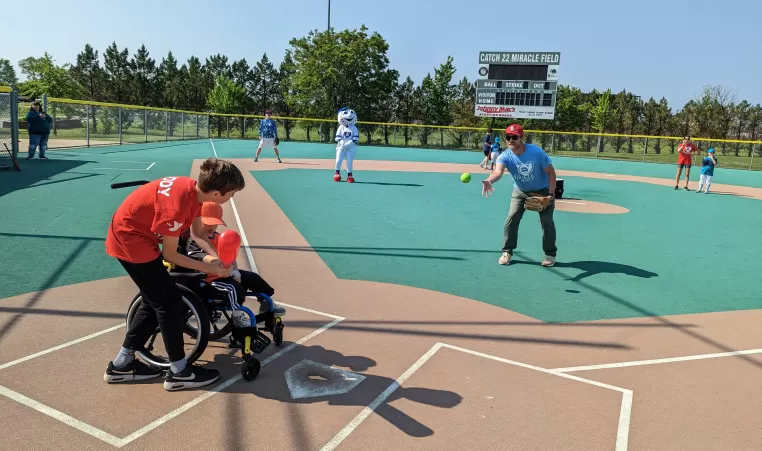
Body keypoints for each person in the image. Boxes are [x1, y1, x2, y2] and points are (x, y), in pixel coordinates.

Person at [103, 158, 246, 392]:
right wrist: (209, 269)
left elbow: (198, 233)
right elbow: (170, 255)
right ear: (219, 193)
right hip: (130, 239)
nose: (232, 197)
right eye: (232, 194)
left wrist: (217, 258)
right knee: (170, 303)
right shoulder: (177, 206)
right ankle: (180, 372)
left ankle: (122, 363)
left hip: (138, 235)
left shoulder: (194, 191)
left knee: (155, 299)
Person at [185, 201, 287, 320]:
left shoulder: (219, 237)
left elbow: (230, 256)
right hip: (209, 279)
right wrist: (217, 261)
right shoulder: (193, 240)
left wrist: (235, 270)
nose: (212, 227)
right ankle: (237, 316)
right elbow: (199, 256)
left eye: (215, 223)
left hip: (227, 273)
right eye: (208, 223)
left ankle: (266, 302)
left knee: (253, 278)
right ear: (198, 221)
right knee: (235, 289)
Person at [481, 124, 558, 267]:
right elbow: (497, 172)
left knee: (546, 222)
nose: (511, 140)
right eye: (508, 137)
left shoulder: (536, 152)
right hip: (520, 191)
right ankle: (507, 251)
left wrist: (551, 195)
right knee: (512, 217)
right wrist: (489, 180)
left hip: (543, 190)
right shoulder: (505, 156)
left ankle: (550, 254)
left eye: (514, 137)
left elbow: (551, 173)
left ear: (521, 138)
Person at [334, 107, 360, 183]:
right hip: (341, 147)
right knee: (338, 160)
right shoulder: (341, 127)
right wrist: (342, 143)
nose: (349, 116)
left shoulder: (354, 127)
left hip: (350, 148)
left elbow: (356, 137)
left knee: (349, 162)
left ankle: (350, 175)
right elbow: (338, 137)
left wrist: (350, 143)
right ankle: (337, 173)